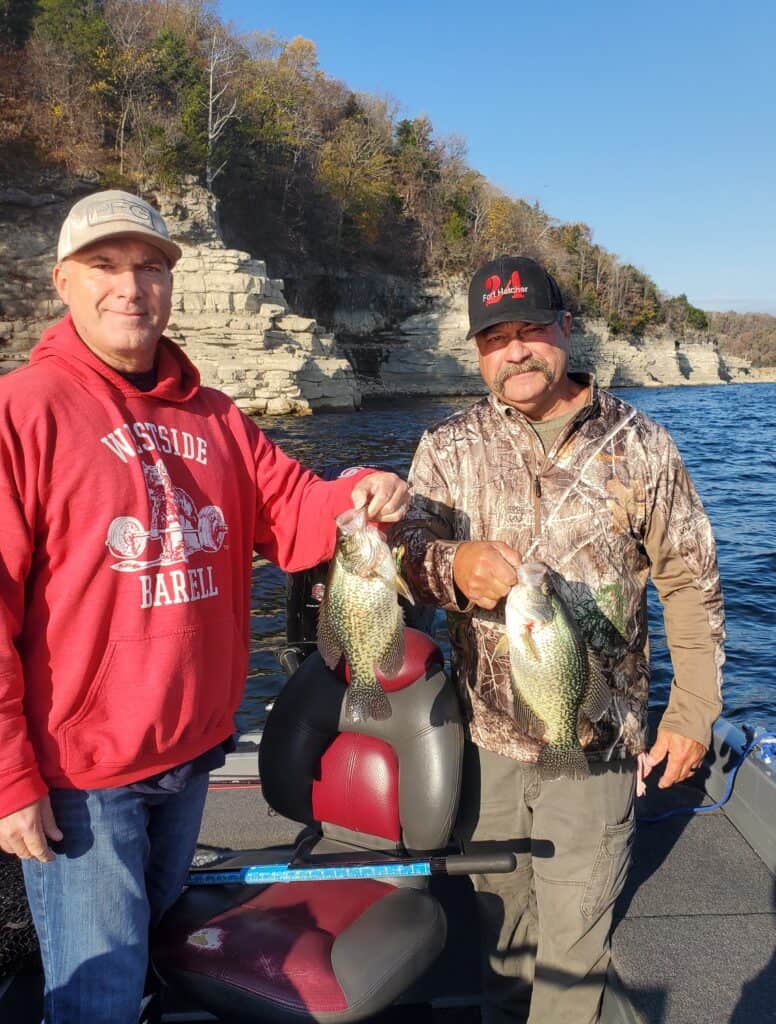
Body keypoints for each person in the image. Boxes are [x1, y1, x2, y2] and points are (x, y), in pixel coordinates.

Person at [0, 190, 408, 1024]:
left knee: (149, 966)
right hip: (85, 777)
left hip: (191, 756)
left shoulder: (217, 416)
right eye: (104, 267)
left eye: (150, 266)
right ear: (63, 284)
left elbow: (293, 511)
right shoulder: (22, 409)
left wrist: (356, 492)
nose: (131, 286)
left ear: (172, 284)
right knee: (96, 1001)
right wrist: (11, 778)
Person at [390, 255, 724, 1024]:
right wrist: (451, 563)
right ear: (477, 351)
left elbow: (691, 583)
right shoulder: (446, 447)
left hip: (597, 740)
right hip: (485, 744)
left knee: (574, 958)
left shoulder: (643, 445)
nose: (516, 352)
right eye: (495, 337)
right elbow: (401, 558)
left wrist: (692, 711)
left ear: (565, 330)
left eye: (531, 330)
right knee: (504, 943)